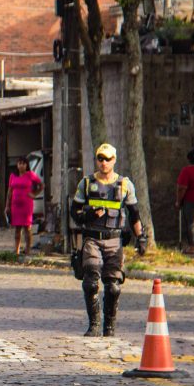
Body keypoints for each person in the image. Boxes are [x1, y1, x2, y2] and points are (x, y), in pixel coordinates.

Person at [71, 143, 146, 338]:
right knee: (91, 282)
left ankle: (109, 327)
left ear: (114, 160)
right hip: (92, 239)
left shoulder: (124, 185)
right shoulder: (86, 184)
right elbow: (75, 213)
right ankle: (94, 324)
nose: (103, 162)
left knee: (113, 287)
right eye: (100, 158)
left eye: (107, 159)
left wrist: (141, 238)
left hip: (115, 240)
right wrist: (88, 214)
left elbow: (134, 215)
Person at [6, 157, 43, 255]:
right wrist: (7, 206)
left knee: (27, 228)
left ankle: (28, 250)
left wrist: (34, 194)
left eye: (23, 163)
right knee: (17, 228)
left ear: (26, 165)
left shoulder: (30, 175)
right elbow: (9, 191)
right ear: (17, 165)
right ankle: (16, 249)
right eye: (19, 163)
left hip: (26, 206)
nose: (21, 165)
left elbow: (41, 185)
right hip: (15, 206)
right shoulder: (13, 176)